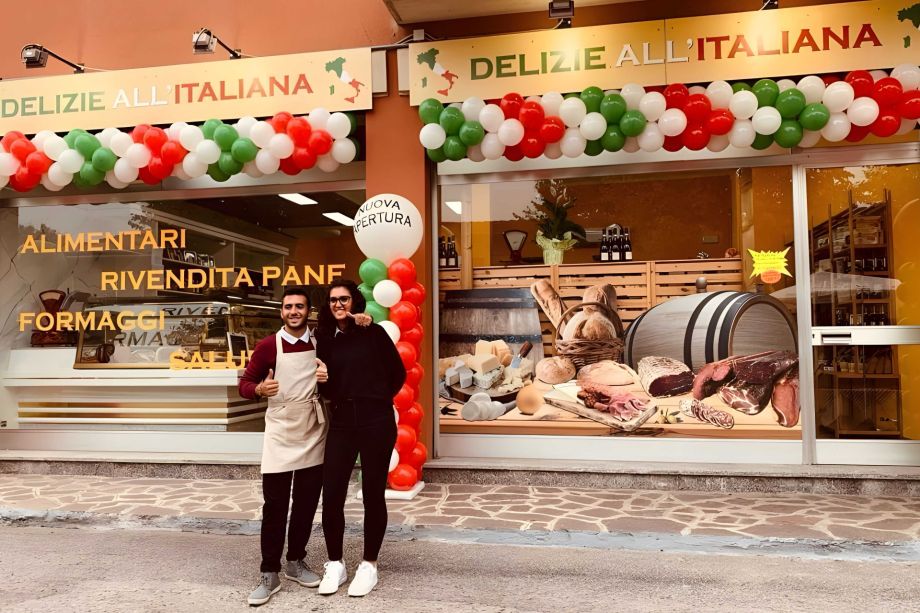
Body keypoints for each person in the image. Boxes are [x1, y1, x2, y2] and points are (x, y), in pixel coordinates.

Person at [314, 280, 407, 597]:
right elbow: (327, 387)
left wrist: (376, 397)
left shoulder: (374, 332)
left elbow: (398, 374)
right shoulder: (325, 339)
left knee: (372, 494)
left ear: (355, 301)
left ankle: (369, 565)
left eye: (344, 299)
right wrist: (324, 382)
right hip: (342, 421)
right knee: (332, 493)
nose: (338, 304)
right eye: (333, 300)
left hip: (376, 420)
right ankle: (335, 563)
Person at [237, 286, 329, 606]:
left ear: (308, 311)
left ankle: (295, 561)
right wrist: (259, 389)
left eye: (299, 306)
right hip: (279, 430)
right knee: (275, 505)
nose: (294, 312)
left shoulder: (321, 343)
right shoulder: (267, 346)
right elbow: (244, 384)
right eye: (288, 306)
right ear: (281, 312)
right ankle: (269, 571)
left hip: (313, 429)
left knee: (306, 502)